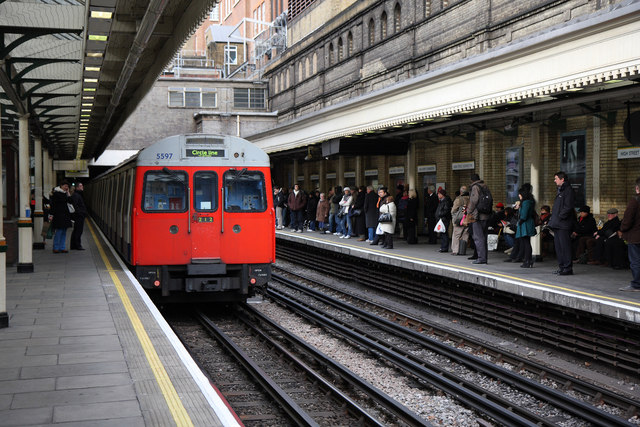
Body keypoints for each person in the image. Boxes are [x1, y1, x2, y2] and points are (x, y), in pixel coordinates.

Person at [548, 171, 576, 275]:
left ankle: (567, 268)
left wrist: (559, 217)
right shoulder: (560, 190)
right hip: (557, 224)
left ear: (562, 179)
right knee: (559, 247)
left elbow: (568, 207)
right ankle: (562, 267)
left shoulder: (568, 190)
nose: (554, 181)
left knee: (565, 247)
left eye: (556, 179)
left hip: (563, 224)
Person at [465, 173, 492, 264]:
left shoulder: (475, 187)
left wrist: (468, 211)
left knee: (478, 237)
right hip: (486, 214)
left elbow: (474, 200)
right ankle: (484, 257)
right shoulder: (485, 186)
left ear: (472, 180)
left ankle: (481, 258)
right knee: (483, 237)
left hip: (478, 216)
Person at [619, 177, 640, 291]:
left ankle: (636, 284)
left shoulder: (634, 201)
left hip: (635, 237)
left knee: (636, 261)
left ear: (637, 188)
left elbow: (627, 221)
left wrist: (622, 229)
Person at [515, 184, 537, 268]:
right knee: (526, 242)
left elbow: (524, 215)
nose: (518, 195)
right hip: (527, 223)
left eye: (520, 194)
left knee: (526, 243)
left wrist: (519, 222)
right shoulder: (529, 201)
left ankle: (528, 260)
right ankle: (528, 260)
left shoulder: (526, 202)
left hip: (525, 224)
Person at [49, 180, 73, 253]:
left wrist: (68, 193)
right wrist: (51, 215)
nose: (66, 187)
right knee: (59, 232)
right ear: (61, 186)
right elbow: (53, 205)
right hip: (58, 216)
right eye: (65, 186)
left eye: (67, 186)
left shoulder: (65, 194)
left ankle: (62, 247)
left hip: (65, 216)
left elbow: (71, 201)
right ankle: (56, 247)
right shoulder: (56, 194)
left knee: (64, 232)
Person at [451, 186, 470, 255]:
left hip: (459, 219)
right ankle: (462, 250)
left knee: (456, 235)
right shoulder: (470, 199)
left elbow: (453, 210)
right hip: (468, 219)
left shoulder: (458, 199)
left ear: (461, 192)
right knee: (465, 234)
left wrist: (454, 217)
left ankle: (455, 250)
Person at [70, 182, 88, 250]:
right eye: (81, 186)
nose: (82, 187)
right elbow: (75, 205)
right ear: (77, 187)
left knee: (76, 230)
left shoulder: (77, 195)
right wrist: (80, 213)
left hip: (79, 215)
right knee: (78, 231)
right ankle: (77, 245)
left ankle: (74, 245)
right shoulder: (77, 195)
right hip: (79, 216)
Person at [435, 188, 452, 253]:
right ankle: (442, 247)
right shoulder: (441, 201)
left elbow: (446, 211)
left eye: (439, 194)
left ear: (442, 194)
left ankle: (444, 247)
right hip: (441, 219)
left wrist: (439, 214)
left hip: (444, 219)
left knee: (444, 233)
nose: (438, 195)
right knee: (442, 233)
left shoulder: (446, 201)